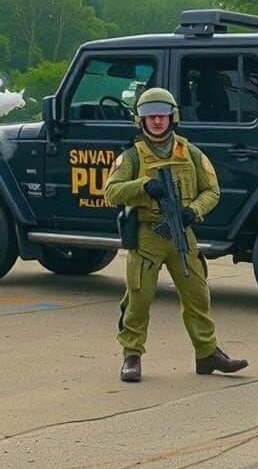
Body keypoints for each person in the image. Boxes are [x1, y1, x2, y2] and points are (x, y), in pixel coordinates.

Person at [104, 87, 248, 383]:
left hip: (182, 233)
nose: (157, 122)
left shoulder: (190, 152)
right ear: (140, 121)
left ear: (172, 118)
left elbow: (212, 191)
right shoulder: (132, 156)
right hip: (147, 235)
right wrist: (142, 186)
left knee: (197, 295)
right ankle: (131, 355)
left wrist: (193, 211)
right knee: (139, 297)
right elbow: (110, 192)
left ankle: (207, 353)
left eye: (162, 116)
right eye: (150, 117)